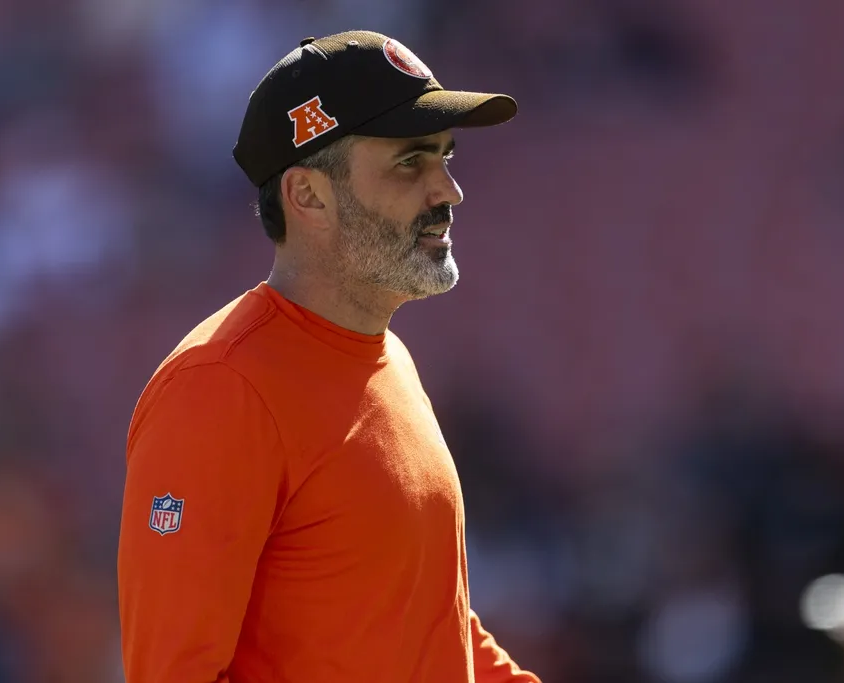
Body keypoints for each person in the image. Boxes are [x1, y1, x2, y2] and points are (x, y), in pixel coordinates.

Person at [117, 30, 541, 683]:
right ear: (308, 195)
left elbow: (434, 630)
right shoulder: (218, 388)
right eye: (410, 162)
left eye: (445, 156)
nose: (448, 190)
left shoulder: (389, 358)